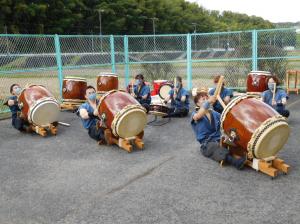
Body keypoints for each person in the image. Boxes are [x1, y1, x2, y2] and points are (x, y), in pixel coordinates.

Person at [191, 91, 246, 170]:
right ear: (197, 104)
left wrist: (237, 115)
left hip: (219, 139)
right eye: (203, 99)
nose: (206, 100)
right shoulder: (194, 114)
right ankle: (235, 162)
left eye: (207, 98)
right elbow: (197, 117)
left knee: (233, 140)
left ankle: (244, 156)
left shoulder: (214, 113)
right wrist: (209, 101)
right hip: (207, 143)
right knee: (214, 147)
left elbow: (225, 119)